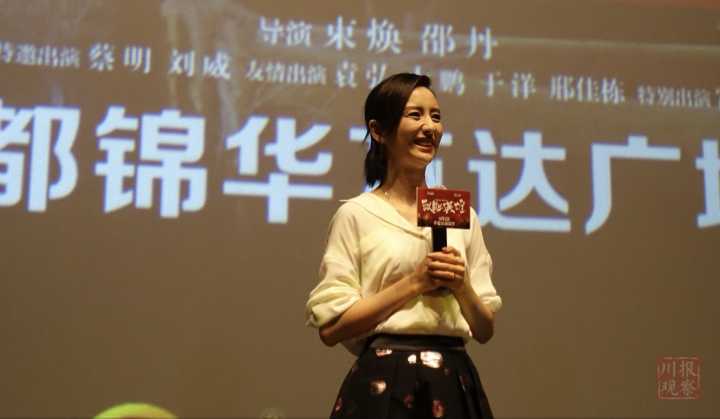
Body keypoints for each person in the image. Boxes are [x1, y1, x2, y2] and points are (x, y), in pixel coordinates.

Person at [305, 73, 502, 419]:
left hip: (452, 378)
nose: (430, 127)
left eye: (436, 117)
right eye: (415, 115)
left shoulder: (460, 214)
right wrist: (416, 282)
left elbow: (484, 329)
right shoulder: (357, 214)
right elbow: (332, 328)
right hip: (384, 379)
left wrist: (461, 285)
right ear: (378, 130)